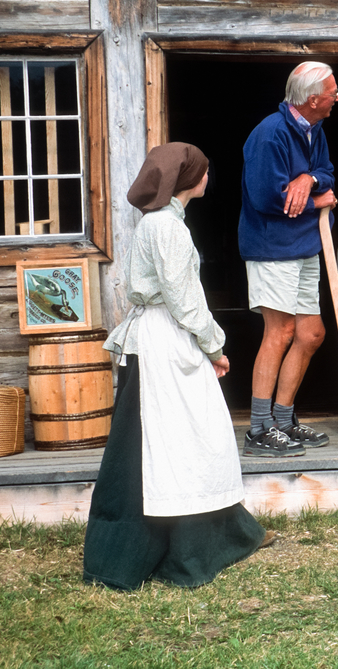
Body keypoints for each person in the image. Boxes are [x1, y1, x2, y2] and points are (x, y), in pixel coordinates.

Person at [84, 143, 269, 590]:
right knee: (163, 450)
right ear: (190, 180)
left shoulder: (162, 224)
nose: (208, 177)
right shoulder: (167, 228)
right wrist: (215, 347)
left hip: (164, 339)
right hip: (166, 342)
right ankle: (147, 556)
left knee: (186, 446)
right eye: (204, 171)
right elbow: (184, 301)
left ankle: (203, 541)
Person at [238, 61, 338, 457]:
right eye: (333, 92)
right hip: (272, 248)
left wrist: (309, 179)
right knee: (278, 333)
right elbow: (266, 199)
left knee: (311, 334)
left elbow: (327, 171)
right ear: (313, 99)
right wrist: (318, 200)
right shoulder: (270, 135)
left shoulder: (313, 129)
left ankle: (282, 419)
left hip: (303, 245)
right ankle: (258, 429)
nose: (337, 97)